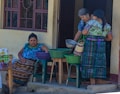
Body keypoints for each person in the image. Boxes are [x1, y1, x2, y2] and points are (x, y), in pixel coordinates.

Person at [81, 9, 112, 85]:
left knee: (89, 61)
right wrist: (102, 38)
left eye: (93, 15)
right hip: (101, 44)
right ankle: (99, 78)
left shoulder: (91, 23)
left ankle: (90, 79)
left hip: (90, 44)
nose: (92, 17)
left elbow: (84, 32)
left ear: (96, 16)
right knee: (99, 61)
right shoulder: (107, 25)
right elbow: (110, 38)